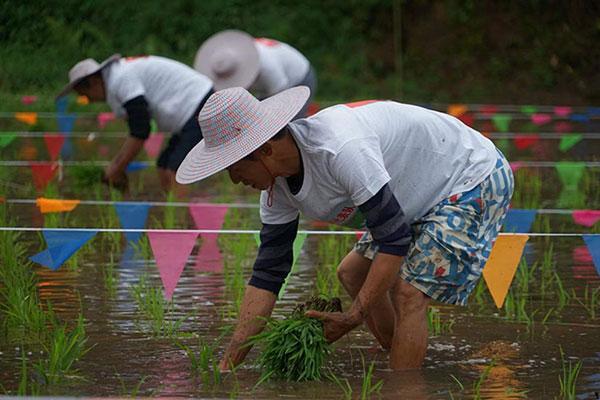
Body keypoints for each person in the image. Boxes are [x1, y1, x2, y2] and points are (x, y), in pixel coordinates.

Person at [175, 86, 514, 371]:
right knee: (352, 274)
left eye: (233, 167)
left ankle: (403, 388)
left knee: (409, 294)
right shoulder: (275, 190)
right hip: (413, 191)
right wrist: (227, 368)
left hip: (469, 175)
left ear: (264, 149)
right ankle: (408, 362)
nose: (234, 180)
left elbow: (394, 239)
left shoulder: (340, 149)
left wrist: (354, 316)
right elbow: (268, 273)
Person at [57, 54, 214, 191]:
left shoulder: (120, 79)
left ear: (93, 82)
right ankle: (173, 213)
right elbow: (136, 128)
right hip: (188, 111)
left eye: (85, 94)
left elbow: (141, 129)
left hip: (198, 103)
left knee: (176, 171)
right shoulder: (116, 78)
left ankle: (184, 222)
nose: (88, 100)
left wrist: (117, 167)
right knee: (163, 166)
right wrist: (118, 165)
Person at [194, 30, 316, 118]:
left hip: (298, 78)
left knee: (290, 123)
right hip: (270, 86)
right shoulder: (226, 59)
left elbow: (282, 99)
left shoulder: (268, 67)